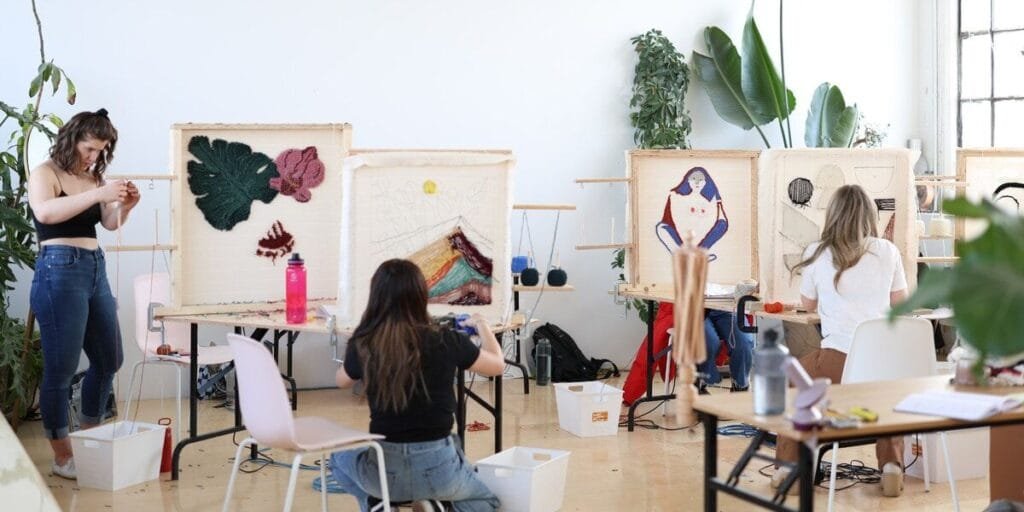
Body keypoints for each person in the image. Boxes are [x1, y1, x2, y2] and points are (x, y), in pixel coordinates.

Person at [330, 259, 504, 512]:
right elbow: (498, 365)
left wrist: (358, 347)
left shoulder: (366, 343)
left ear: (376, 297)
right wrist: (483, 326)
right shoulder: (447, 338)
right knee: (487, 501)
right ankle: (440, 509)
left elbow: (341, 381)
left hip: (383, 472)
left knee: (337, 461)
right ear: (422, 295)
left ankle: (377, 504)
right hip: (440, 469)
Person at [772, 184, 908, 497]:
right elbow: (900, 300)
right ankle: (891, 467)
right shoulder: (888, 251)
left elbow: (808, 305)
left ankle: (788, 469)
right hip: (883, 362)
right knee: (886, 393)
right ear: (869, 215)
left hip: (837, 362)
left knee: (793, 380)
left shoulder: (817, 252)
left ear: (832, 215)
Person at [28, 109, 140, 479]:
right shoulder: (46, 173)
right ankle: (63, 457)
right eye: (90, 148)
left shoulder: (92, 178)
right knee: (60, 369)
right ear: (72, 139)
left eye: (100, 150)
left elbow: (108, 223)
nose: (93, 156)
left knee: (110, 359)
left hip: (94, 266)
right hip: (59, 267)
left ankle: (91, 441)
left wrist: (124, 204)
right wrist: (102, 192)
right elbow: (45, 212)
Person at [697, 310, 753, 393]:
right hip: (697, 310)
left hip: (727, 310)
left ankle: (740, 386)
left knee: (743, 342)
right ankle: (701, 381)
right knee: (709, 342)